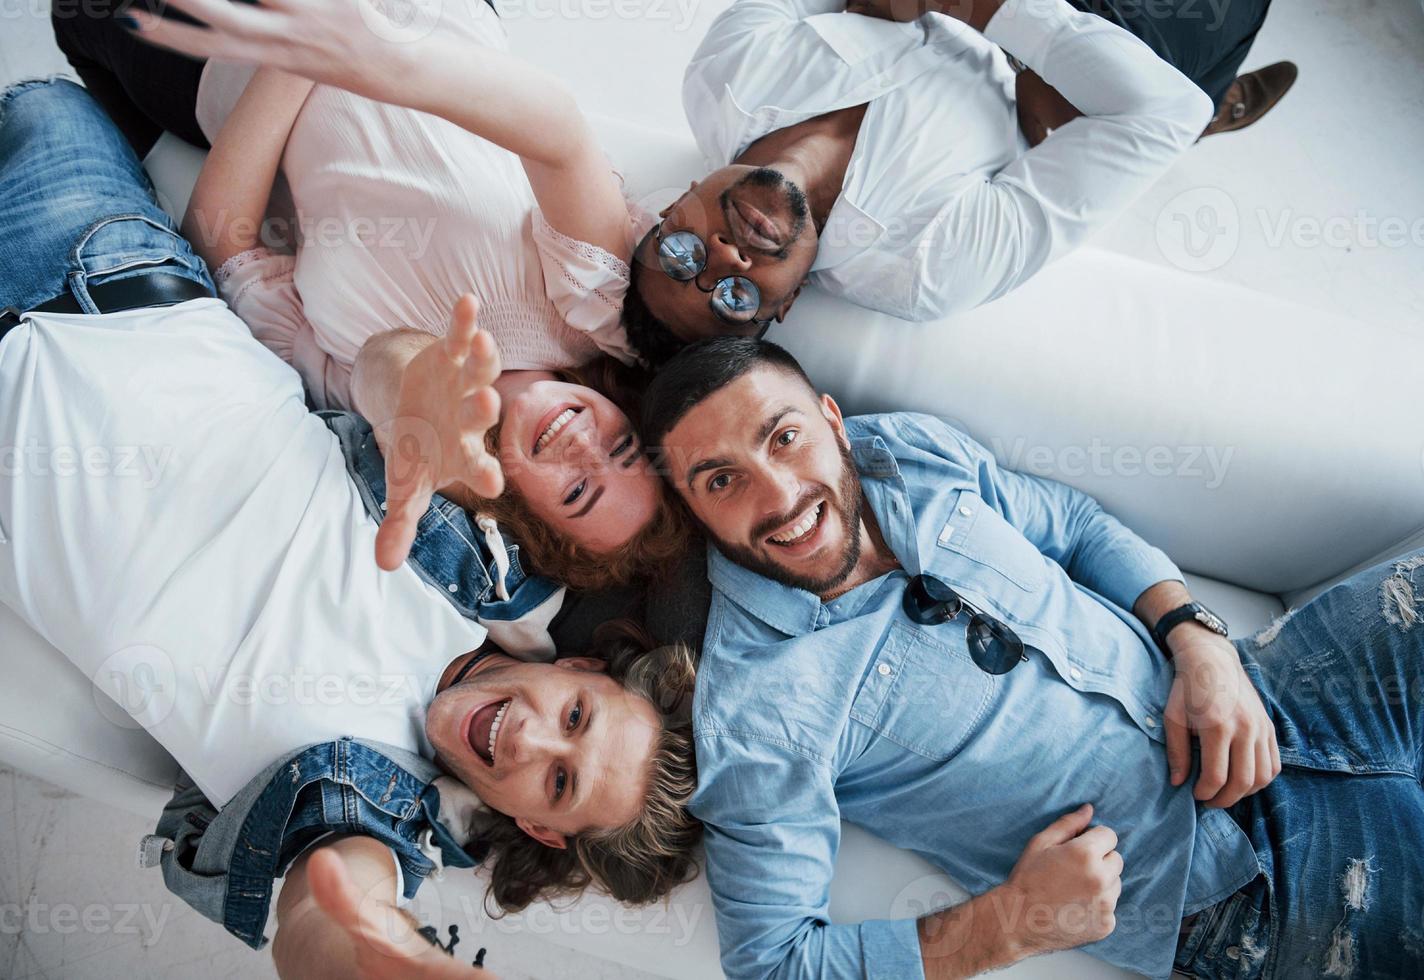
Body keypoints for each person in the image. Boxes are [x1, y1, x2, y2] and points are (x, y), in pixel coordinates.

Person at [0, 77, 701, 978]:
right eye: (576, 717)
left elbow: (328, 911)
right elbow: (386, 373)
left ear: (535, 825)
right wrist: (411, 388)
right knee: (49, 97)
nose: (533, 737)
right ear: (578, 669)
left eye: (558, 779)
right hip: (104, 266)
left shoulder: (364, 796)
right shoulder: (487, 564)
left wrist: (369, 951)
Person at [639, 336, 1424, 979]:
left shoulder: (905, 452)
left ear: (830, 419)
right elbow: (773, 961)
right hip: (1238, 886)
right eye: (721, 481)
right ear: (693, 514)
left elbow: (1071, 525)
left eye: (784, 438)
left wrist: (1195, 638)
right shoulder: (757, 710)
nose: (778, 496)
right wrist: (1009, 924)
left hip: (1279, 688)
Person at [54, 0, 691, 583]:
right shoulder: (600, 312)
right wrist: (350, 30)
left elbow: (223, 239)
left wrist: (300, 49)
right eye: (622, 447)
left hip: (221, 65)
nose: (586, 447)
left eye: (577, 491)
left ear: (522, 513)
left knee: (75, 19)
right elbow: (558, 136)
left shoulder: (375, 418)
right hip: (400, 12)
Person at [620, 0, 1295, 358]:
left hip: (1041, 67)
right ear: (788, 303)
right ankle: (1215, 104)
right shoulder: (927, 268)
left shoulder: (724, 76)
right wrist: (989, 13)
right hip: (1111, 38)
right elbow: (1160, 111)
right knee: (1182, 82)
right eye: (736, 297)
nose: (728, 258)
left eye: (683, 255)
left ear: (675, 205)